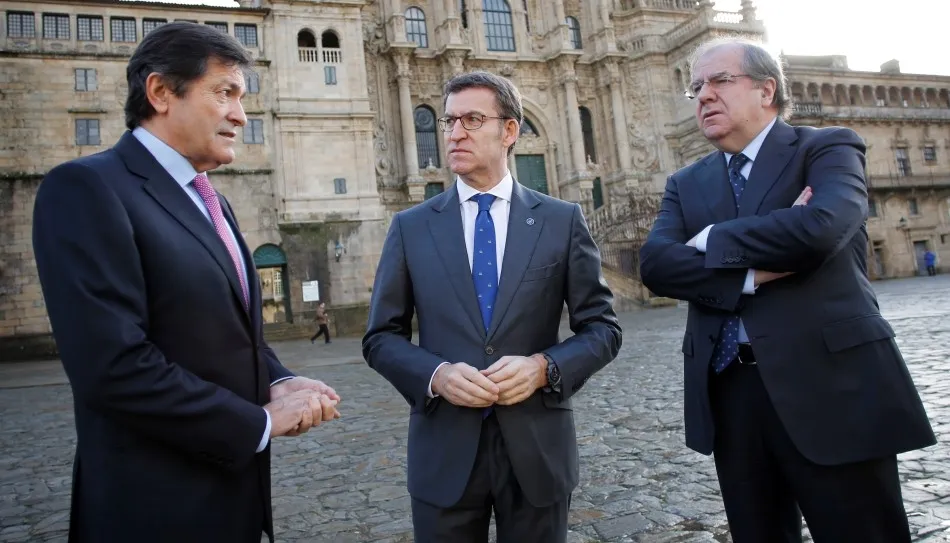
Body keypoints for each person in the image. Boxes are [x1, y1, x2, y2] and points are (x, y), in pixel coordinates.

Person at [32, 22, 341, 543]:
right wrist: (260, 423)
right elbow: (112, 367)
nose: (241, 115)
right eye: (224, 93)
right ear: (160, 92)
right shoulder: (86, 188)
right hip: (153, 509)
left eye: (242, 97)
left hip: (231, 500)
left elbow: (228, 331)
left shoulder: (211, 200)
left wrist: (278, 380)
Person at [639, 38, 935, 542]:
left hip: (832, 385)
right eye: (696, 87)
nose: (703, 95)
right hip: (731, 395)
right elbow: (656, 265)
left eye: (719, 81)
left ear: (766, 89)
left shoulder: (826, 147)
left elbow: (820, 229)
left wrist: (708, 239)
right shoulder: (685, 182)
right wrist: (752, 272)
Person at [362, 71, 622, 543]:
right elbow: (380, 338)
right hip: (444, 453)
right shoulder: (411, 227)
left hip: (538, 452)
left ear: (509, 131)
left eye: (472, 120)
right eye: (449, 121)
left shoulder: (561, 221)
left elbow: (603, 329)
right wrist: (436, 375)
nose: (454, 133)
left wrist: (544, 368)